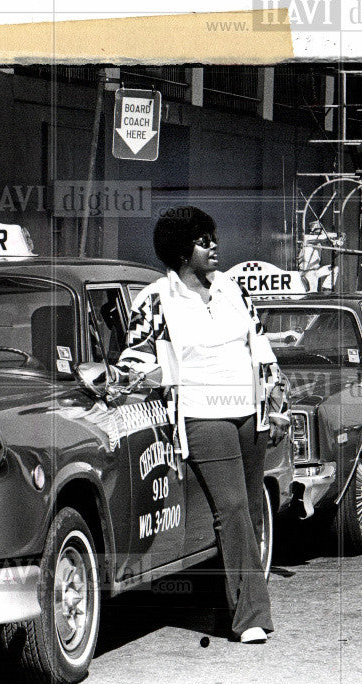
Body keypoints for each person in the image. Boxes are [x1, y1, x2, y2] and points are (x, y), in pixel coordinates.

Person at [117, 206, 289, 644]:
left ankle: (230, 605)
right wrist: (121, 380)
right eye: (203, 241)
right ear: (180, 251)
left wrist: (277, 400)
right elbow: (136, 360)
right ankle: (252, 616)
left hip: (250, 413)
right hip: (200, 414)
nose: (214, 246)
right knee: (229, 509)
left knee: (249, 510)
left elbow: (262, 348)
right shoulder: (156, 299)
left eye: (213, 238)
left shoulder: (233, 290)